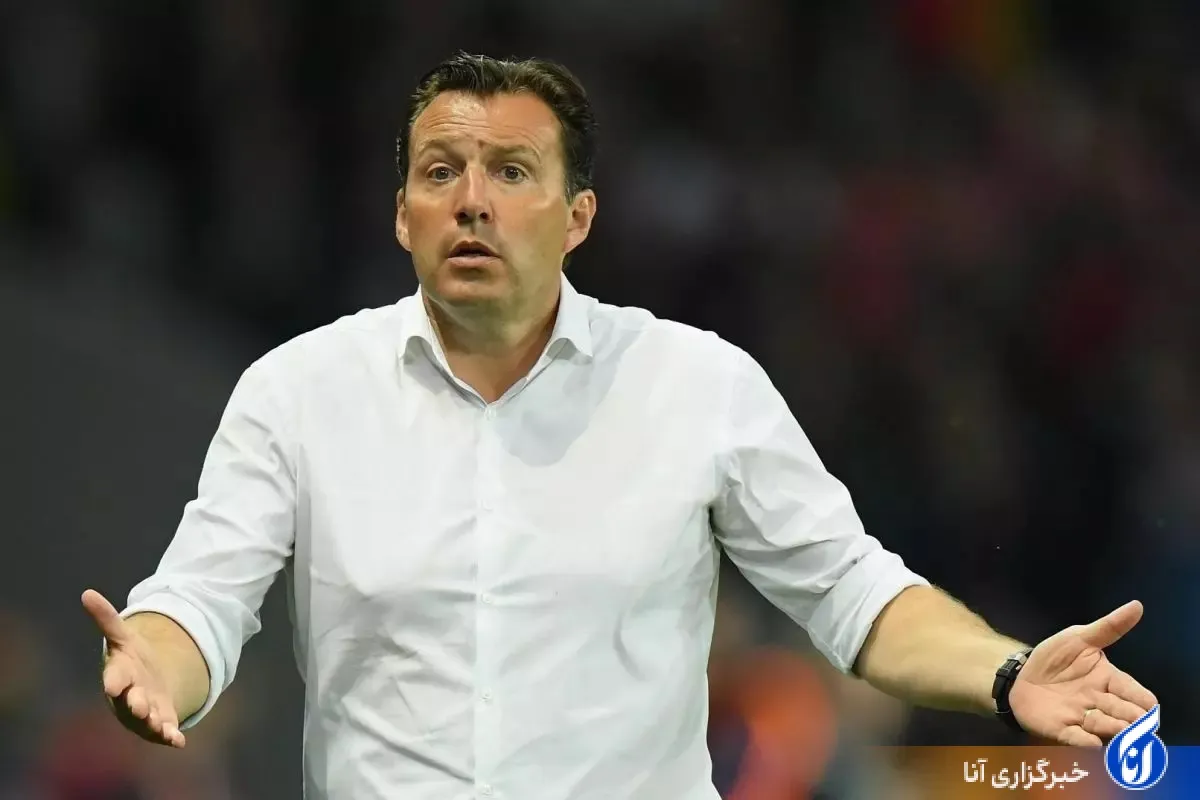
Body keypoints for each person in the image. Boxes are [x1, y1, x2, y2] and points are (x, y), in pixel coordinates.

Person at [82, 52, 1158, 799]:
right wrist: (156, 668)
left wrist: (1008, 673)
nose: (471, 200)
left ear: (577, 217)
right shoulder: (296, 391)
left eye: (511, 173)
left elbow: (854, 594)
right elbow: (200, 603)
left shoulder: (698, 385)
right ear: (403, 213)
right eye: (440, 172)